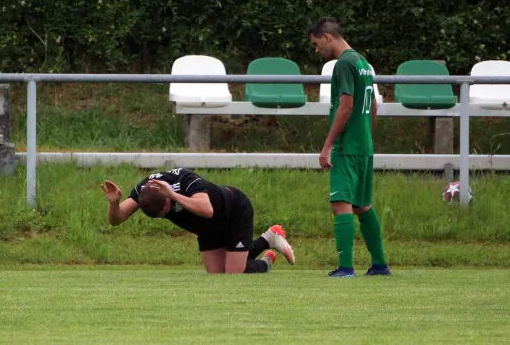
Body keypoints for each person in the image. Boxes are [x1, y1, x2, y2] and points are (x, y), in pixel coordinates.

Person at [308, 17, 390, 277]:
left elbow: (345, 105)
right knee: (362, 205)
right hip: (364, 144)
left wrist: (327, 145)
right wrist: (367, 137)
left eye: (316, 43)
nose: (316, 49)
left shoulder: (343, 64)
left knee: (341, 204)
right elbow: (374, 105)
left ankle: (345, 269)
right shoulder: (363, 62)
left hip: (347, 145)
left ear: (327, 37)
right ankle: (379, 265)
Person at [101, 167, 295, 274]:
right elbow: (116, 220)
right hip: (207, 229)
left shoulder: (186, 179)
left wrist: (175, 196)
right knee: (217, 274)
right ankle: (267, 240)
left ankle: (267, 260)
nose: (166, 216)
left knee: (234, 273)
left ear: (166, 196)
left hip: (233, 212)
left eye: (166, 211)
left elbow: (207, 210)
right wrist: (114, 204)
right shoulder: (144, 190)